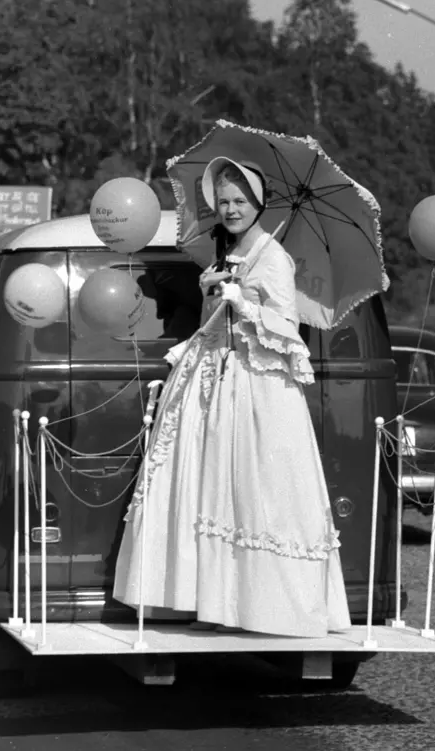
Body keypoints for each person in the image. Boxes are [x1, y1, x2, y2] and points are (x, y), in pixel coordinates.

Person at [112, 157, 350, 637]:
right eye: (224, 202)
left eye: (240, 201)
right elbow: (215, 325)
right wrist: (210, 294)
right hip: (216, 381)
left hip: (259, 387)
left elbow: (288, 329)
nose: (231, 209)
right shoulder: (227, 253)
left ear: (258, 203)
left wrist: (248, 305)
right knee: (213, 487)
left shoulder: (274, 257)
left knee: (254, 488)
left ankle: (265, 605)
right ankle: (214, 603)